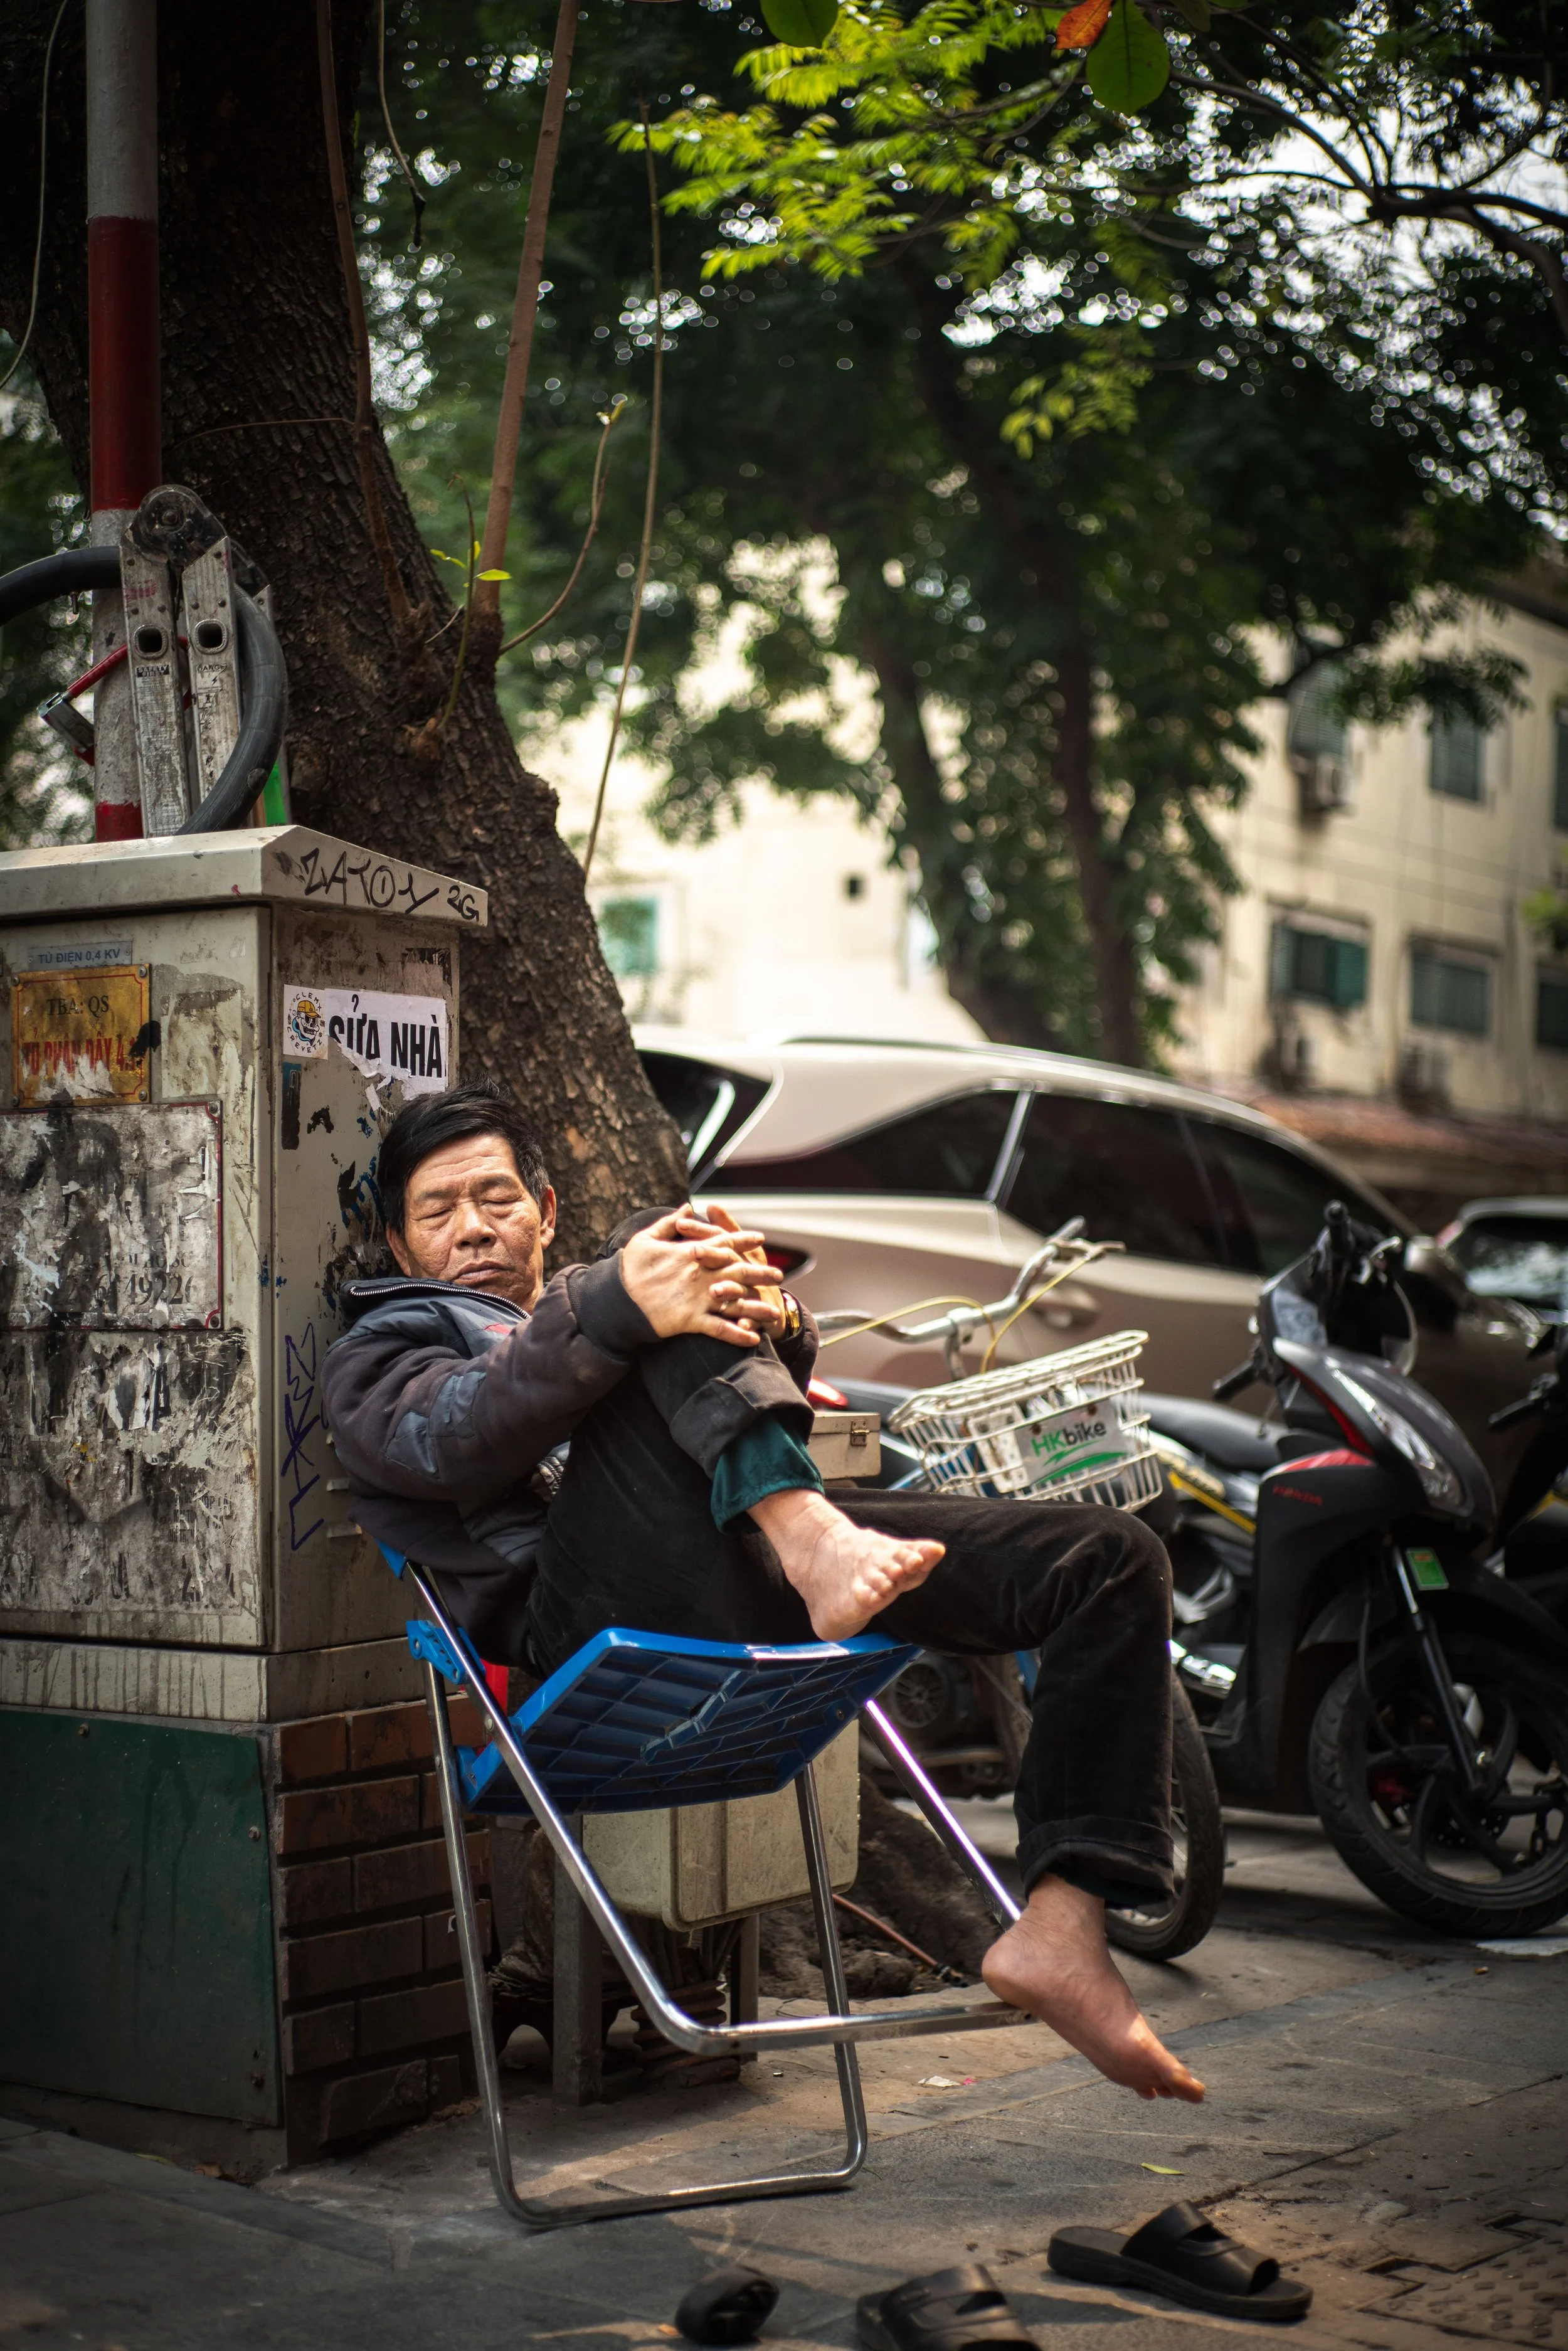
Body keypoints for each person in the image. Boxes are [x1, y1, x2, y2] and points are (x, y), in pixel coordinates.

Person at [323, 1081, 1204, 2106]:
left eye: (498, 1198)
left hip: (745, 1573)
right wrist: (624, 1299)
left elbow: (713, 1356)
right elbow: (456, 1433)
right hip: (587, 1655)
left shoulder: (609, 1299)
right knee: (663, 1243)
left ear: (544, 1210)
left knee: (1109, 1558)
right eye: (439, 1211)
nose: (474, 1227)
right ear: (399, 1244)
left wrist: (779, 1319)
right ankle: (810, 1535)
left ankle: (1064, 1926)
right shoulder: (379, 1358)